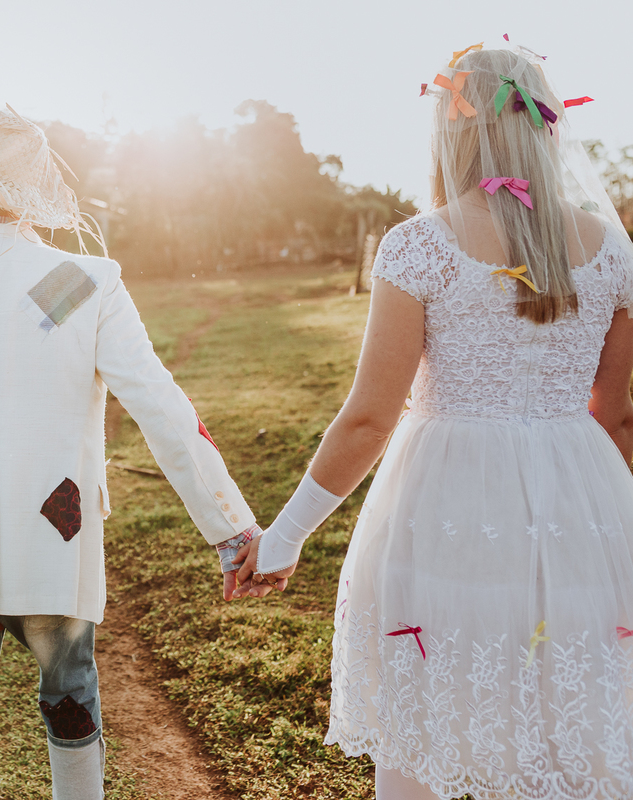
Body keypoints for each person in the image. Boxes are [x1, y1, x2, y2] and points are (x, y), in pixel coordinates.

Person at [232, 45, 633, 799]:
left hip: (449, 508)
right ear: (547, 127)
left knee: (441, 704)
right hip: (586, 511)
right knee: (569, 714)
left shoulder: (421, 245)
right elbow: (614, 419)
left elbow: (369, 420)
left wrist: (284, 537)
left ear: (453, 130)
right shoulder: (613, 250)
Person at [0, 105, 260, 800]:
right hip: (56, 542)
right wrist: (231, 528)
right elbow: (161, 407)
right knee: (71, 708)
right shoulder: (78, 284)